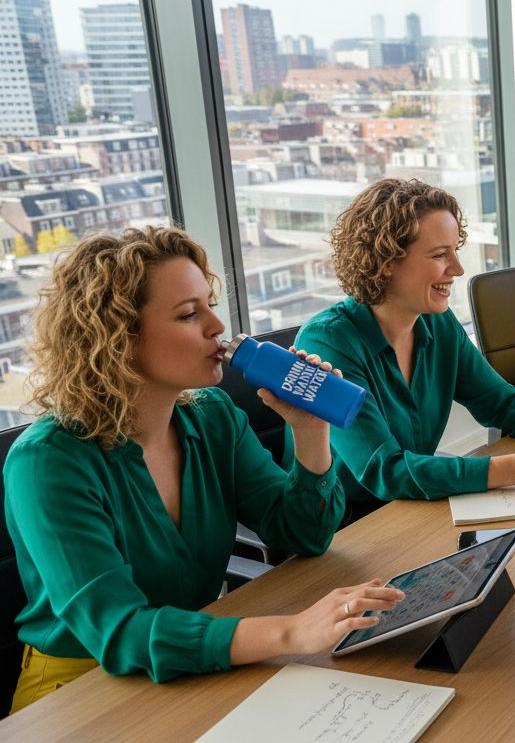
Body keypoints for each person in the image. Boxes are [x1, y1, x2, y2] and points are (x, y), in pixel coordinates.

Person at [6, 227, 403, 713]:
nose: (218, 326)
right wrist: (293, 630)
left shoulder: (213, 416)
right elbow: (120, 632)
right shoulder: (47, 461)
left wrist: (311, 430)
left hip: (193, 661)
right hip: (83, 692)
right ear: (118, 339)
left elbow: (304, 533)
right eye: (190, 314)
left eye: (210, 305)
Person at [294, 178, 515, 510]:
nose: (457, 269)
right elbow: (383, 469)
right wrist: (513, 468)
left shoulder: (435, 321)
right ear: (387, 263)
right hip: (347, 523)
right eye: (441, 254)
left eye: (455, 251)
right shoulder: (327, 343)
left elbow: (499, 402)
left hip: (413, 504)